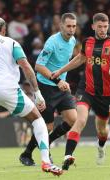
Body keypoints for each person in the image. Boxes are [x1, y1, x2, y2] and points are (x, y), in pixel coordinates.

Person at [0, 17, 62, 176]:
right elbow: (26, 67)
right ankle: (46, 162)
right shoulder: (11, 43)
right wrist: (37, 93)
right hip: (8, 89)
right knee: (37, 120)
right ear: (4, 30)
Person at [52, 13, 110, 170]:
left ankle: (101, 147)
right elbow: (79, 59)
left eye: (105, 27)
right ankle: (68, 156)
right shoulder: (87, 42)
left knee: (102, 129)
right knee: (80, 120)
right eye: (99, 27)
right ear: (93, 26)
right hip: (86, 89)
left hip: (105, 94)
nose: (102, 30)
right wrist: (60, 71)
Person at [19, 13, 77, 166]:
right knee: (47, 126)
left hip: (61, 86)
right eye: (69, 26)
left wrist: (62, 81)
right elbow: (38, 66)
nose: (71, 29)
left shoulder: (72, 41)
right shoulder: (52, 42)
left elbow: (63, 64)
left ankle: (47, 141)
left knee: (72, 119)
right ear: (61, 26)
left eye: (74, 26)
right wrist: (57, 80)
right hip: (46, 86)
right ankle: (26, 154)